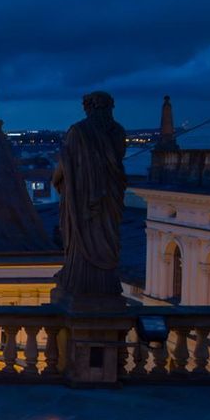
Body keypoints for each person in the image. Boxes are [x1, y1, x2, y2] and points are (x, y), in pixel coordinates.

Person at [52, 91, 126, 305]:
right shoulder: (118, 131)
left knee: (80, 234)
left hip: (82, 198)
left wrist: (56, 179)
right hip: (109, 197)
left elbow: (65, 163)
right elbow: (118, 162)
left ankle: (80, 277)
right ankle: (103, 279)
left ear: (88, 108)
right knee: (107, 234)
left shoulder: (79, 131)